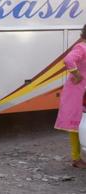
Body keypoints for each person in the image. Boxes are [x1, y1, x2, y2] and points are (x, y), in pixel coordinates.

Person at [56, 24, 86, 168]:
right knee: (77, 124)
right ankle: (76, 158)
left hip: (81, 90)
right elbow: (68, 60)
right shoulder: (82, 47)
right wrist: (77, 75)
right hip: (77, 91)